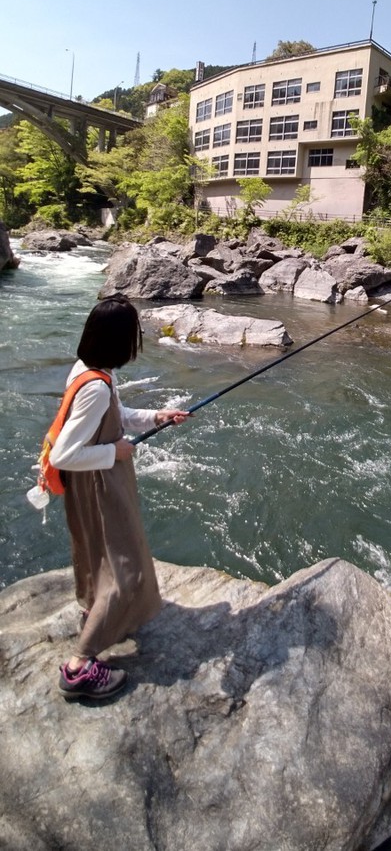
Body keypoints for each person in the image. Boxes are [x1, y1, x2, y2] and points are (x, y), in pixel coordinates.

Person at [51, 294, 190, 701]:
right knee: (126, 569)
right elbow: (64, 453)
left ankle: (94, 611)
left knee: (98, 556)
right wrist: (116, 452)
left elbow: (117, 414)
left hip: (93, 483)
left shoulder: (91, 371)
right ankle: (80, 665)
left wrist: (157, 416)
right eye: (134, 334)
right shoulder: (96, 386)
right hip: (100, 486)